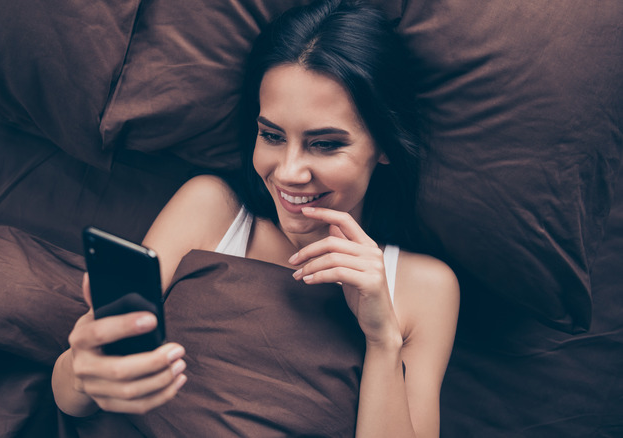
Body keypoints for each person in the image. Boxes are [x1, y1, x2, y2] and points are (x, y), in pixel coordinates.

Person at [52, 0, 459, 436]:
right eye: (272, 136)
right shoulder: (211, 209)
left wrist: (381, 340)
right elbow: (72, 400)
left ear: (384, 146)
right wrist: (85, 366)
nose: (288, 172)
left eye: (324, 143)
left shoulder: (425, 288)